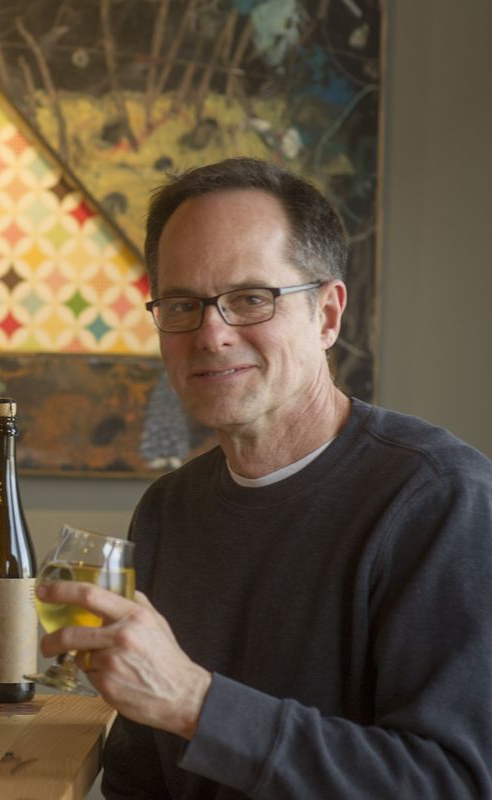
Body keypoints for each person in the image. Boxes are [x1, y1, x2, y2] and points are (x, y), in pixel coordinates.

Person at [39, 158, 492, 797]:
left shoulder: (441, 499)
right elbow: (141, 776)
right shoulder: (169, 510)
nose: (211, 334)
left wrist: (196, 702)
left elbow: (452, 783)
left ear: (328, 315)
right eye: (182, 304)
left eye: (251, 298)